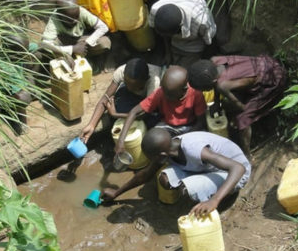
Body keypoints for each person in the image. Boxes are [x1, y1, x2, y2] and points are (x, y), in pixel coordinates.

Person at [102, 128, 251, 217]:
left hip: (234, 173)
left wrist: (215, 200)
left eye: (151, 158)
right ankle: (208, 189)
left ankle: (222, 197)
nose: (150, 161)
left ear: (160, 155)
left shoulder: (194, 150)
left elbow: (238, 168)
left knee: (186, 188)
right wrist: (117, 193)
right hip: (208, 168)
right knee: (165, 179)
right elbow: (146, 174)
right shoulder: (169, 148)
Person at [188, 57, 287, 155]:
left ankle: (246, 153)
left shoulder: (223, 85)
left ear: (213, 83)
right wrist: (216, 102)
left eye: (204, 89)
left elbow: (241, 107)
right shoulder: (215, 60)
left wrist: (235, 113)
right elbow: (216, 86)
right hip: (268, 62)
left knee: (242, 119)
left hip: (273, 79)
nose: (203, 91)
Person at [113, 65, 206, 154]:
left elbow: (201, 123)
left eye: (169, 95)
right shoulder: (161, 92)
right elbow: (134, 112)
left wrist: (182, 139)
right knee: (151, 141)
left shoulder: (195, 94)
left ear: (184, 90)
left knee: (196, 147)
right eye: (164, 92)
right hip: (167, 126)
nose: (165, 96)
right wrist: (121, 141)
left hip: (189, 128)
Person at [80, 58, 162, 143]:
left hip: (152, 101)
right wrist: (91, 125)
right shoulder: (121, 71)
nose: (130, 88)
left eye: (135, 87)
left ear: (145, 80)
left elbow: (143, 115)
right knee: (116, 103)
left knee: (151, 122)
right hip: (136, 99)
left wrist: (115, 114)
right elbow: (105, 98)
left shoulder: (154, 83)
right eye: (126, 83)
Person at [149, 0, 216, 69]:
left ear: (180, 29)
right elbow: (164, 34)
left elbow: (209, 42)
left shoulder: (201, 21)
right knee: (174, 68)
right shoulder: (156, 11)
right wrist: (168, 53)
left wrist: (203, 62)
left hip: (194, 45)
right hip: (175, 43)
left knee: (184, 71)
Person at [42, 0, 111, 61]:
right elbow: (45, 44)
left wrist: (87, 42)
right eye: (70, 19)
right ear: (60, 16)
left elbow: (103, 27)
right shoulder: (54, 20)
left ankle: (90, 60)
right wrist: (73, 49)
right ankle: (68, 60)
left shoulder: (81, 11)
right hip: (65, 43)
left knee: (104, 42)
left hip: (82, 41)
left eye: (77, 16)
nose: (75, 21)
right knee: (49, 49)